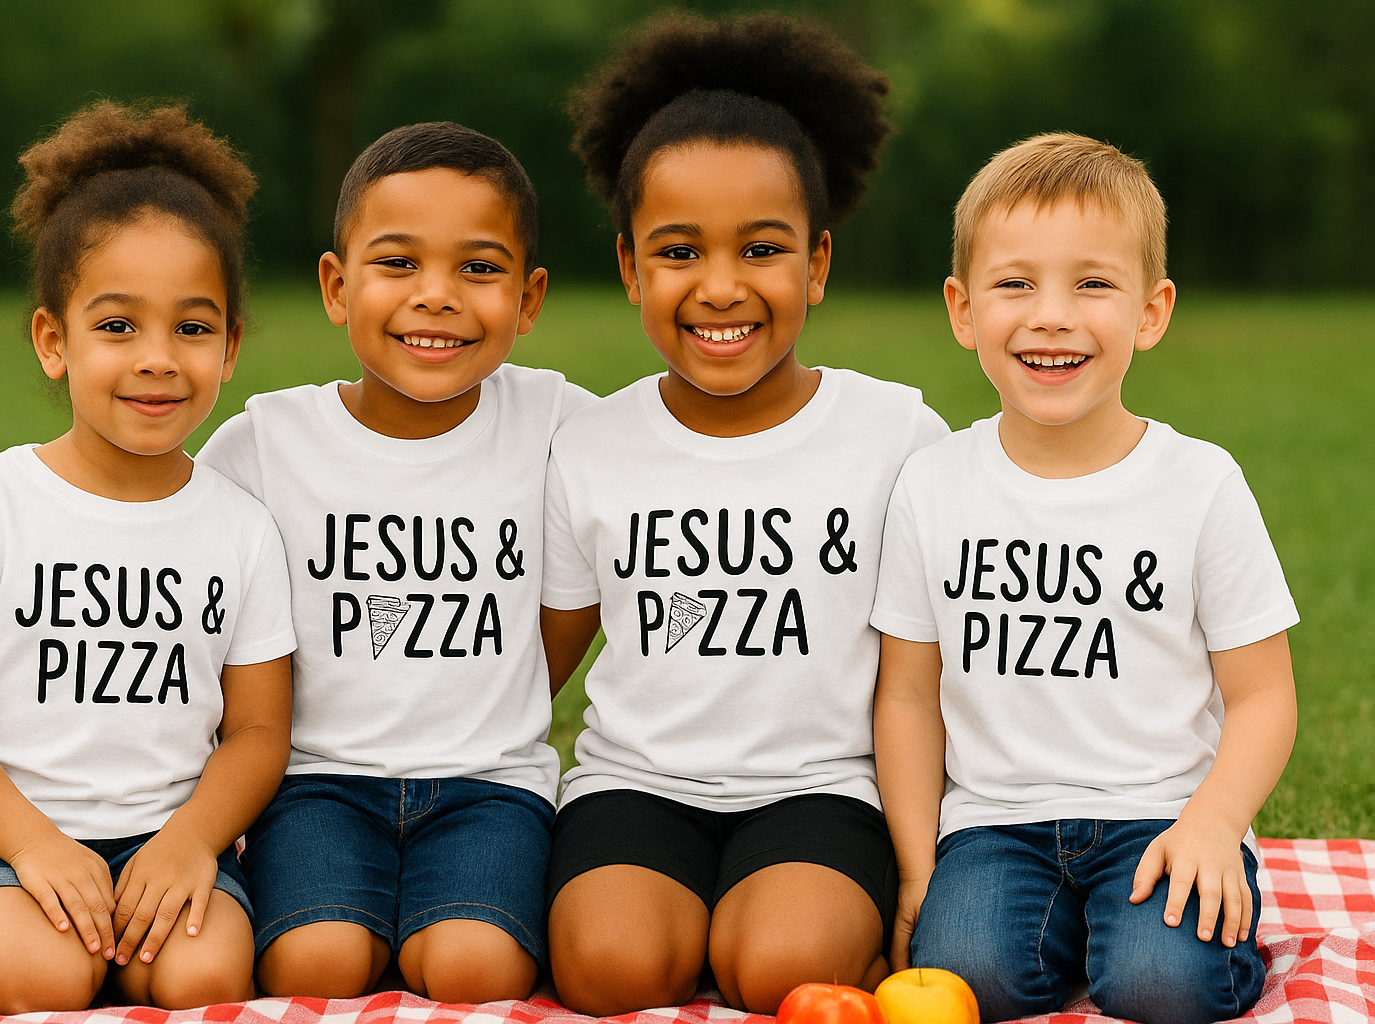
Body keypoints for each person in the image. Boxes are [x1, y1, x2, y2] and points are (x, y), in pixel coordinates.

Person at [539, 12, 949, 1016]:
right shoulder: (593, 443)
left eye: (761, 249)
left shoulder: (897, 433)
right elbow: (534, 666)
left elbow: (944, 660)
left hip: (822, 787)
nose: (720, 287)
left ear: (815, 263)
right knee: (608, 971)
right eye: (679, 251)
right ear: (633, 268)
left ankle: (774, 910)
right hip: (636, 785)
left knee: (781, 970)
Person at [871, 132, 1298, 1024]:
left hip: (1163, 816)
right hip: (994, 826)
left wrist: (1215, 825)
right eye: (1015, 283)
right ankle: (1066, 932)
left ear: (1151, 310)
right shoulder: (933, 483)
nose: (1052, 316)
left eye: (1092, 283)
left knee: (1159, 984)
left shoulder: (1200, 483)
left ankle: (1144, 938)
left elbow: (1263, 697)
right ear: (962, 309)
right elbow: (909, 696)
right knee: (963, 976)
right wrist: (920, 867)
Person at [0, 101, 296, 1014]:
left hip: (160, 838)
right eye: (117, 327)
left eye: (192, 329)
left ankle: (119, 921)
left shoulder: (240, 525)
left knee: (205, 978)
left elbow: (259, 732)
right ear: (53, 341)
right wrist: (32, 845)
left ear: (229, 348)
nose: (157, 358)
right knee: (46, 980)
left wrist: (192, 842)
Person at [197, 121, 593, 1003]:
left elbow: (593, 584)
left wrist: (510, 685)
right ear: (338, 287)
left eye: (479, 269)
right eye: (399, 264)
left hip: (490, 785)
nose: (438, 296)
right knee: (315, 964)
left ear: (529, 300)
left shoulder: (562, 423)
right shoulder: (264, 443)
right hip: (317, 784)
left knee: (474, 969)